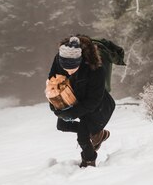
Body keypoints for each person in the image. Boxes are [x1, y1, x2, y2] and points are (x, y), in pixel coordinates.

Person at [47, 35, 116, 167]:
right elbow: (52, 82)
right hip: (73, 98)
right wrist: (55, 105)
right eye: (65, 68)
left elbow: (94, 100)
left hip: (97, 105)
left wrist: (72, 113)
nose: (68, 71)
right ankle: (97, 133)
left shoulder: (96, 68)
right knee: (62, 125)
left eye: (72, 68)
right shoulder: (59, 58)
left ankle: (89, 160)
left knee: (83, 137)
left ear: (80, 60)